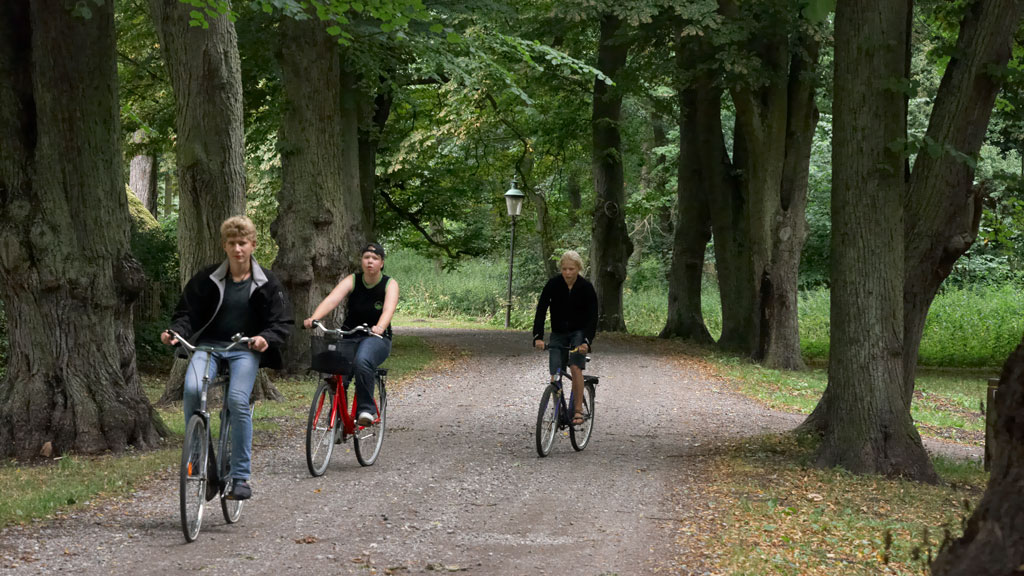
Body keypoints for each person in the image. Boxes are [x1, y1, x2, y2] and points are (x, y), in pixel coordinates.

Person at [161, 215, 293, 501]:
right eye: (232, 243)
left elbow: (281, 321)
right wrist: (175, 332)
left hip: (244, 348)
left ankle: (240, 477)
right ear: (224, 246)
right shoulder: (208, 279)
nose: (238, 249)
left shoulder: (268, 282)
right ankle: (198, 461)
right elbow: (186, 314)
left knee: (236, 401)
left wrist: (265, 339)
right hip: (208, 347)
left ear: (253, 245)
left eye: (243, 243)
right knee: (193, 389)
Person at [304, 242, 399, 427]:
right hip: (350, 334)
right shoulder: (353, 280)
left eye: (375, 258)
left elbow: (389, 309)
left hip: (377, 338)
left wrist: (380, 326)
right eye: (366, 257)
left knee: (362, 361)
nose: (370, 261)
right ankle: (338, 418)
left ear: (381, 263)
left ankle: (366, 409)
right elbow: (333, 298)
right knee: (337, 371)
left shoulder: (389, 283)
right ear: (361, 261)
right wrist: (314, 318)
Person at [532, 250, 598, 425]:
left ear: (578, 269)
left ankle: (577, 411)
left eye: (571, 269)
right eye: (564, 269)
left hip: (579, 332)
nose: (568, 273)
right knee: (555, 372)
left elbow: (593, 317)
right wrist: (538, 336)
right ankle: (557, 408)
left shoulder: (586, 288)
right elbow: (541, 309)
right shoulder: (553, 284)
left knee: (575, 366)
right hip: (559, 332)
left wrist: (586, 342)